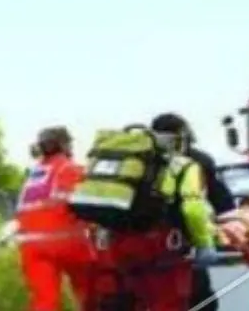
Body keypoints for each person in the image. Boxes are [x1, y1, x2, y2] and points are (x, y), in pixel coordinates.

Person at [83, 121, 219, 311]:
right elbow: (192, 209)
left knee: (132, 301)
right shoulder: (183, 166)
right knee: (167, 303)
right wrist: (204, 243)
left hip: (119, 245)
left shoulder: (123, 166)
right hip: (161, 247)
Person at [151, 112, 236, 311]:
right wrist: (206, 241)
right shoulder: (195, 161)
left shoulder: (143, 161)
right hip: (180, 241)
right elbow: (204, 205)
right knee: (199, 300)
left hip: (140, 243)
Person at [15, 126, 95, 311]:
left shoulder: (34, 174)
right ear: (65, 145)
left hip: (31, 247)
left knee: (45, 303)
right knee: (89, 295)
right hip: (68, 243)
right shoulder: (71, 169)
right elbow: (90, 206)